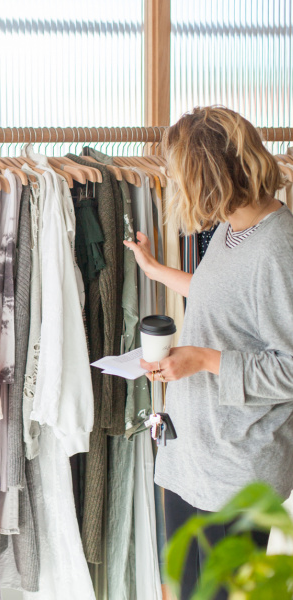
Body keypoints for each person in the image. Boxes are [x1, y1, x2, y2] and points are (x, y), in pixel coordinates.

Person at [124, 106, 291, 597]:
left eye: (181, 175)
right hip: (193, 454)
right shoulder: (232, 227)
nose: (176, 186)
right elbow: (223, 295)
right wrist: (155, 270)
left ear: (209, 177)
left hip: (235, 468)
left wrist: (201, 360)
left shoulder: (278, 247)